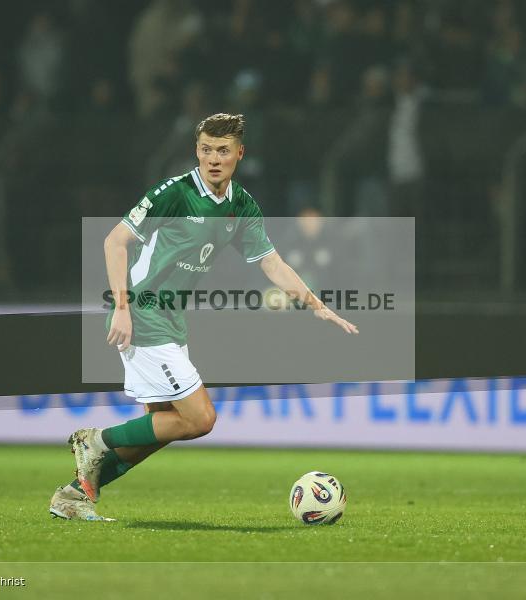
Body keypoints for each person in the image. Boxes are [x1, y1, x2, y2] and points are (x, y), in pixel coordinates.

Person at [49, 113, 359, 520]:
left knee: (159, 430)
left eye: (223, 151)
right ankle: (95, 441)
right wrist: (122, 307)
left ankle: (74, 496)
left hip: (172, 320)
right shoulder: (174, 193)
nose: (214, 159)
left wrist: (317, 305)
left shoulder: (241, 205)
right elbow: (114, 241)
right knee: (200, 419)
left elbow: (271, 262)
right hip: (142, 313)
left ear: (239, 154)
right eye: (206, 149)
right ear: (196, 151)